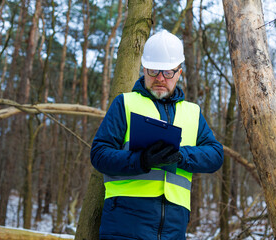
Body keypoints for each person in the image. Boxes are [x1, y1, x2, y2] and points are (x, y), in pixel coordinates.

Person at [90, 29, 224, 240]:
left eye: (168, 72)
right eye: (153, 71)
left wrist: (180, 156)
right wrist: (141, 160)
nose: (160, 78)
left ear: (179, 72)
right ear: (143, 68)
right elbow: (99, 154)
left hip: (174, 226)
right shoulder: (124, 103)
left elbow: (215, 155)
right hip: (125, 223)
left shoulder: (192, 112)